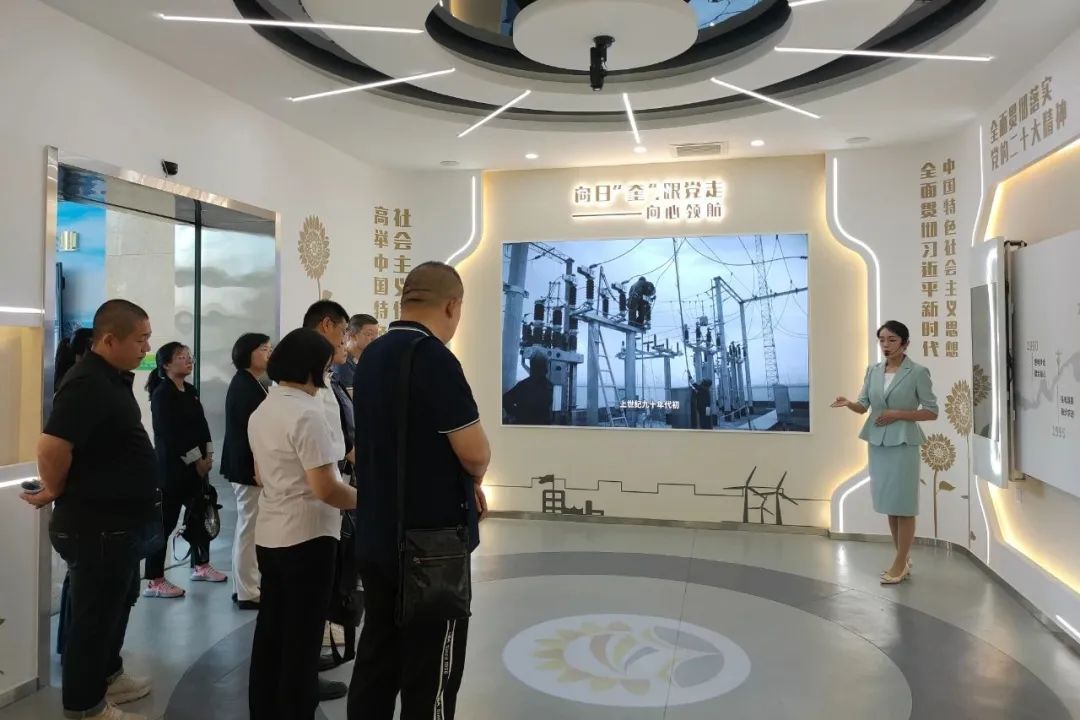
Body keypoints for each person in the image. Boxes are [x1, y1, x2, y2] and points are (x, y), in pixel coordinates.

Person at [348, 261, 491, 720]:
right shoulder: (435, 359)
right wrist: (475, 477)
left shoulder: (371, 356)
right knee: (431, 671)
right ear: (452, 306)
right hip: (431, 549)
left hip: (377, 532)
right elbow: (474, 452)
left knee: (377, 657)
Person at [22, 299, 161, 720]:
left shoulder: (112, 379)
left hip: (119, 524)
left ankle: (108, 675)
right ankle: (85, 706)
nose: (146, 348)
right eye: (140, 340)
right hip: (95, 526)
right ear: (109, 340)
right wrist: (55, 488)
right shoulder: (86, 383)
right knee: (94, 617)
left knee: (116, 605)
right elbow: (51, 446)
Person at [247, 328, 358, 720]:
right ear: (312, 369)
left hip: (271, 534)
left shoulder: (264, 409)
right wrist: (371, 501)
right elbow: (326, 488)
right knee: (303, 640)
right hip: (308, 538)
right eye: (326, 369)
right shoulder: (307, 414)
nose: (327, 377)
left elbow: (260, 474)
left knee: (272, 633)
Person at [832, 320, 938, 584]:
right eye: (881, 340)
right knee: (891, 505)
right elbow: (863, 406)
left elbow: (931, 411)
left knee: (904, 506)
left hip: (903, 445)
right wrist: (849, 403)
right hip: (878, 444)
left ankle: (900, 563)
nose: (885, 345)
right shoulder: (872, 371)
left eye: (892, 340)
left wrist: (897, 414)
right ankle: (903, 558)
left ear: (905, 343)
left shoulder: (917, 372)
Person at [143, 342, 226, 598]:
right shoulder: (163, 394)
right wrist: (196, 459)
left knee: (200, 516)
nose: (188, 360)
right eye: (181, 357)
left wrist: (208, 454)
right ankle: (155, 580)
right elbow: (171, 434)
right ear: (166, 364)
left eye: (189, 356)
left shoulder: (190, 390)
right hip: (172, 471)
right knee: (164, 524)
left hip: (197, 469)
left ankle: (201, 565)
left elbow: (201, 426)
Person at [301, 299, 353, 701]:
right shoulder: (304, 401)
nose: (345, 341)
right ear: (326, 326)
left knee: (321, 588)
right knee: (307, 595)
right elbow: (323, 449)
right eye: (343, 332)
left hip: (327, 492)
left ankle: (306, 666)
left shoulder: (326, 382)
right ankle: (301, 679)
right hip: (312, 504)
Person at [221, 332, 272, 610]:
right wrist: (257, 467)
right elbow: (249, 434)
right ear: (247, 353)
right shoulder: (244, 385)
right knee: (249, 529)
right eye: (264, 349)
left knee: (249, 527)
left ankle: (244, 586)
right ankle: (247, 591)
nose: (269, 354)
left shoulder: (252, 382)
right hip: (247, 467)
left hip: (248, 465)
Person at [333, 313, 380, 395]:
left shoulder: (370, 359)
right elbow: (350, 397)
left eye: (376, 334)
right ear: (353, 335)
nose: (375, 339)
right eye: (369, 334)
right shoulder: (342, 361)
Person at [502, 353, 554, 425]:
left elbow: (505, 399)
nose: (546, 370)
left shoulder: (523, 385)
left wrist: (518, 414)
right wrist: (519, 414)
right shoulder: (549, 386)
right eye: (545, 367)